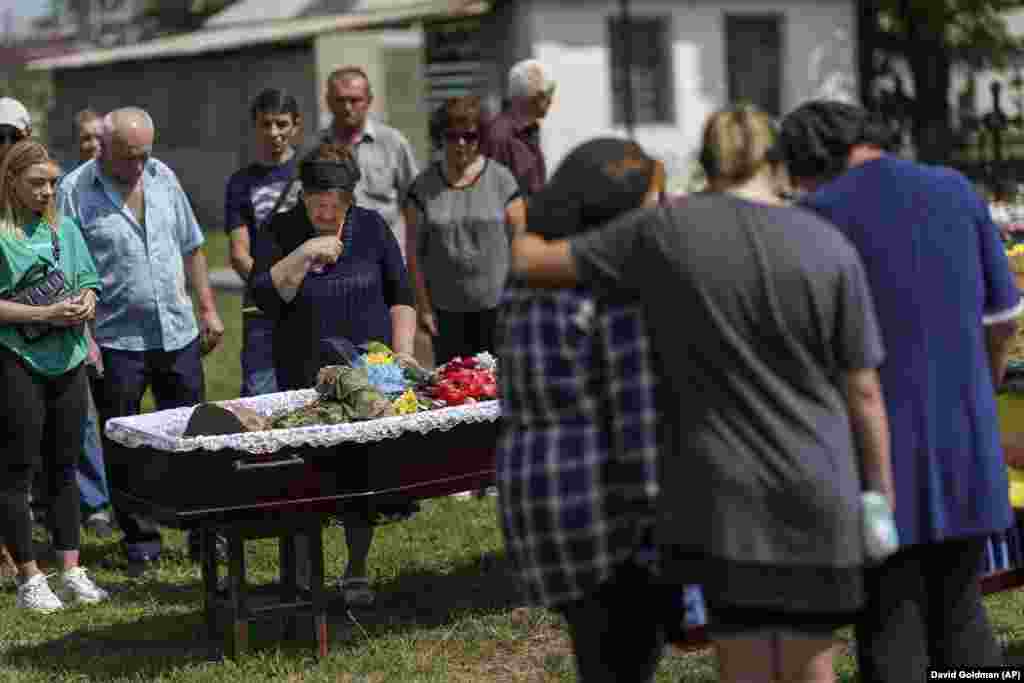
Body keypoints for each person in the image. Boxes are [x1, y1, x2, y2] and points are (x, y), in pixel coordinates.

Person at [508, 106, 895, 683]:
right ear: (776, 162)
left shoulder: (665, 231)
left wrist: (524, 215)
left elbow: (532, 263)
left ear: (704, 163)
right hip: (821, 489)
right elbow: (863, 391)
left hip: (723, 498)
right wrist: (879, 498)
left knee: (743, 666)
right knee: (813, 666)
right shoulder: (827, 243)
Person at [779, 100, 1021, 682]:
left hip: (870, 456)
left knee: (889, 622)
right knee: (964, 615)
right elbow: (1005, 317)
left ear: (812, 161)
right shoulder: (956, 190)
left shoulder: (817, 214)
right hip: (965, 439)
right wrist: (978, 391)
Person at [497, 137, 700, 682]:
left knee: (598, 663)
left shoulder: (525, 284)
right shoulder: (613, 291)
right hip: (605, 519)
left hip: (540, 510)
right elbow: (637, 424)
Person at [57, 107, 225, 575]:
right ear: (103, 148)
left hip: (176, 330)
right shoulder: (74, 192)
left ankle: (204, 535)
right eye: (128, 157)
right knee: (125, 445)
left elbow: (192, 245)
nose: (137, 166)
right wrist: (83, 336)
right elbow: (66, 268)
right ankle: (141, 543)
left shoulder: (162, 175)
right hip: (115, 340)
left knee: (197, 437)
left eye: (143, 155)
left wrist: (208, 307)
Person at [248, 141, 416, 606]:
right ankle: (304, 573)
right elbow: (264, 296)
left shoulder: (371, 228)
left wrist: (402, 352)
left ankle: (356, 569)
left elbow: (401, 293)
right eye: (317, 203)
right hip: (303, 371)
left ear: (350, 198)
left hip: (368, 374)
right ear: (303, 196)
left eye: (336, 204)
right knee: (303, 475)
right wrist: (304, 253)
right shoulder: (280, 231)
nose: (327, 211)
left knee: (359, 475)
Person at [0, 139, 109, 611]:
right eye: (36, 183)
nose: (47, 192)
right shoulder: (2, 234)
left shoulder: (64, 230)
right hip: (17, 361)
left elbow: (88, 280)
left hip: (68, 361)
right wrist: (42, 315)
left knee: (65, 469)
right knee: (18, 472)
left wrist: (87, 299)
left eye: (52, 183)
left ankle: (70, 570)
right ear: (11, 182)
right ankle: (29, 578)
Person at [404, 96, 526, 365]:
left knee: (500, 386)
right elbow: (413, 253)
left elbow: (520, 241)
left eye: (469, 136)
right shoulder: (421, 187)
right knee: (457, 388)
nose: (460, 144)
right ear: (440, 138)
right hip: (445, 312)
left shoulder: (502, 180)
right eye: (451, 136)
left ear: (480, 137)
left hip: (498, 307)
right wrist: (423, 308)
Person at [225, 88, 303, 397]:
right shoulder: (241, 182)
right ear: (255, 126)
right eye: (266, 124)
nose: (274, 133)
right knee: (262, 395)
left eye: (282, 124)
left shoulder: (312, 173)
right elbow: (239, 253)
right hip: (263, 307)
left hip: (310, 301)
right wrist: (273, 288)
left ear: (296, 126)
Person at [68, 107, 115, 540]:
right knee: (83, 416)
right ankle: (95, 502)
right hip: (79, 315)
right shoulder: (67, 189)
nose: (93, 145)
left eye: (99, 137)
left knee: (117, 411)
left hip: (118, 318)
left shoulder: (121, 183)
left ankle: (125, 495)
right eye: (85, 138)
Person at [319, 66, 419, 257]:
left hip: (386, 258)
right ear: (328, 102)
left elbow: (414, 203)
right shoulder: (315, 148)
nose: (347, 107)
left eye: (354, 100)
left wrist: (413, 255)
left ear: (369, 101)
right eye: (340, 100)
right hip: (334, 261)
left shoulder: (393, 143)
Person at [481, 59, 555, 197]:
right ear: (533, 96)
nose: (551, 99)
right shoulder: (500, 136)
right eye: (548, 92)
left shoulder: (527, 132)